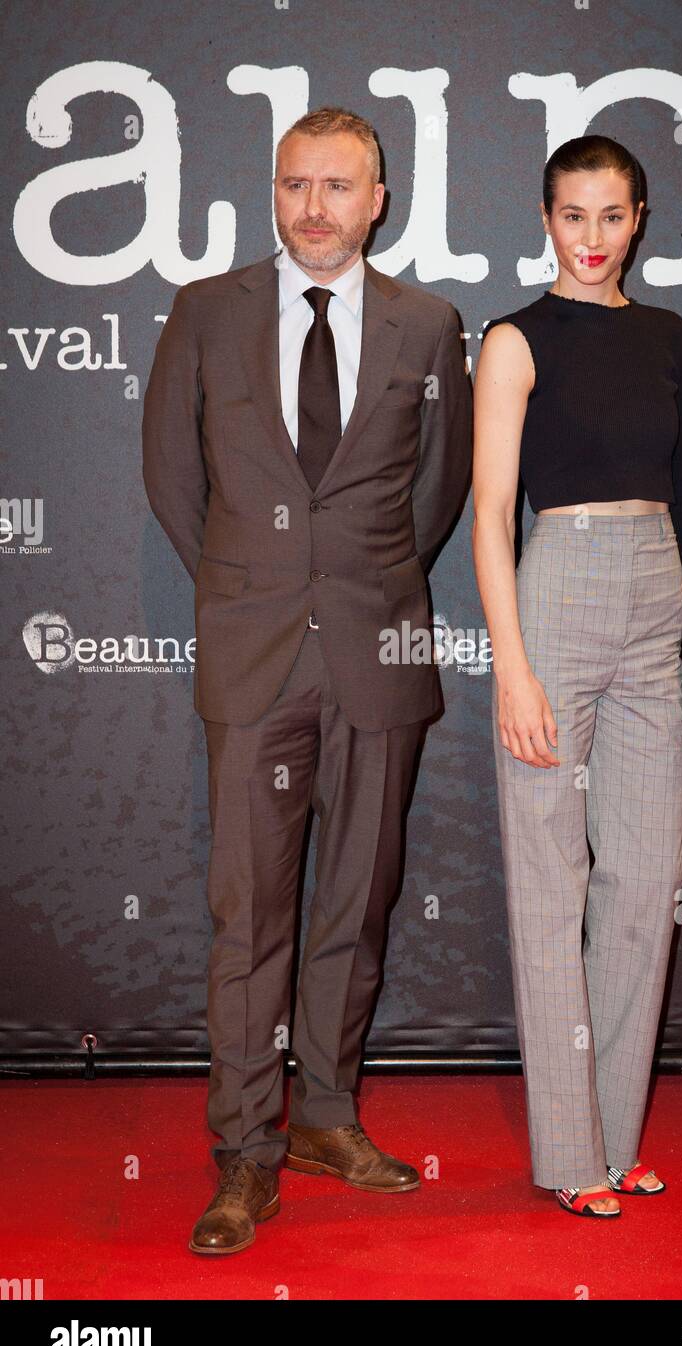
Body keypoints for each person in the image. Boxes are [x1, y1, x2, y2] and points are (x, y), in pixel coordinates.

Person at [142, 106, 472, 1254]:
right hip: (253, 650)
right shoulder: (204, 315)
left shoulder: (428, 325)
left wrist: (359, 584)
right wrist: (256, 580)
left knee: (354, 905)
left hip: (377, 652)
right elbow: (174, 481)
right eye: (295, 185)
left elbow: (435, 494)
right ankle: (243, 1151)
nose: (315, 208)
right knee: (250, 918)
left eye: (339, 186)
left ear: (377, 198)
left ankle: (326, 1115)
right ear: (271, 192)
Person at [472, 134, 682, 1219]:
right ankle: (568, 1154)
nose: (590, 238)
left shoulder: (671, 340)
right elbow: (487, 515)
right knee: (548, 883)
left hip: (655, 594)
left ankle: (615, 1140)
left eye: (610, 215)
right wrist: (510, 668)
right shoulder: (514, 341)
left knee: (639, 881)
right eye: (571, 215)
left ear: (637, 221)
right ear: (544, 218)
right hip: (556, 590)